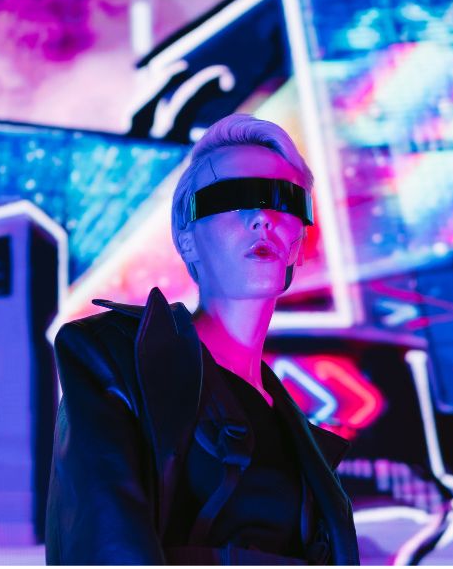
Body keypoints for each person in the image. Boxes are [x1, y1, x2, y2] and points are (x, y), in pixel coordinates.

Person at [45, 114, 360, 565]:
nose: (262, 218)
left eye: (283, 200)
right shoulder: (114, 355)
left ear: (299, 242)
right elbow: (103, 539)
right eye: (231, 198)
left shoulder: (299, 435)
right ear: (186, 238)